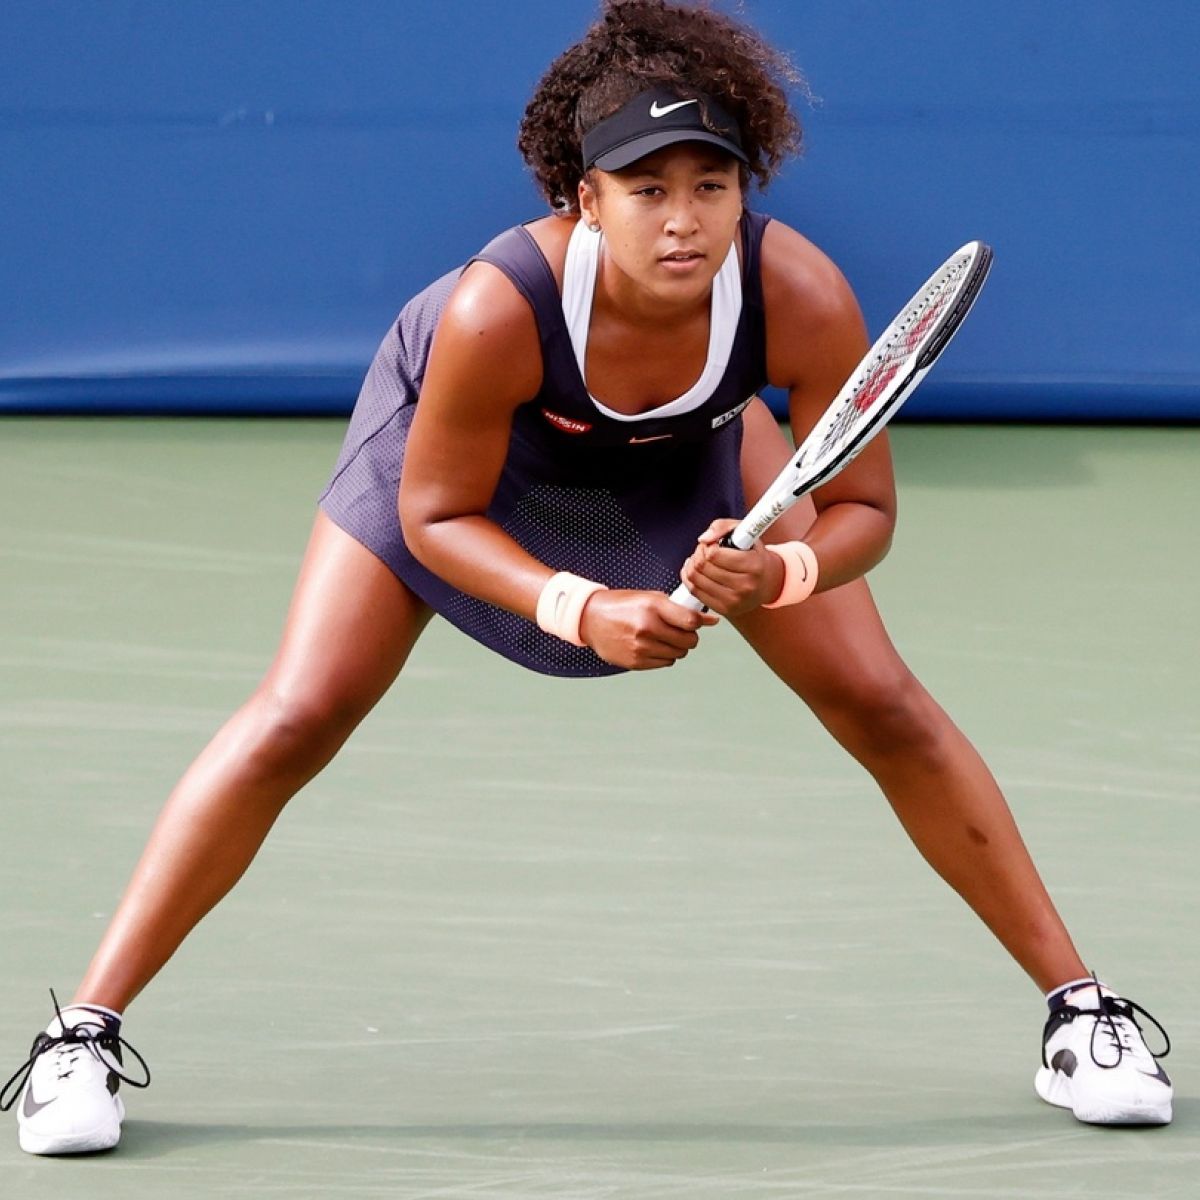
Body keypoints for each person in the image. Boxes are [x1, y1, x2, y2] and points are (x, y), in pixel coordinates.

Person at [1, 0, 1172, 1157]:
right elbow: (434, 513)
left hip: (688, 454)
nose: (684, 221)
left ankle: (1083, 1014)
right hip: (468, 466)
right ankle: (81, 1035)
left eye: (710, 186)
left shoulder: (795, 292)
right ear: (582, 195)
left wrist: (785, 568)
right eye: (647, 189)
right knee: (298, 713)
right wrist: (581, 603)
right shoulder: (496, 307)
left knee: (883, 702)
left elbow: (863, 511)